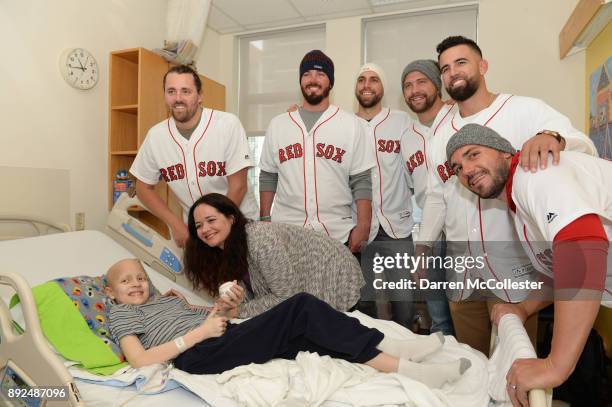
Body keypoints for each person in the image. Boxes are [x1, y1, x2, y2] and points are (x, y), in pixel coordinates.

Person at [415, 36, 597, 355]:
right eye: (445, 68)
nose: (452, 72)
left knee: (514, 363)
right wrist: (424, 247)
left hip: (514, 269)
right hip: (464, 272)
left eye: (461, 62)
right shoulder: (438, 133)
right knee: (471, 364)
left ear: (482, 66)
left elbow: (582, 143)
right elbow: (435, 196)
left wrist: (550, 136)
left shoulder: (524, 110)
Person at [105, 258, 472, 388]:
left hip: (219, 338)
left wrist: (223, 307)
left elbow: (221, 321)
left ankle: (405, 368)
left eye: (140, 277)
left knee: (313, 335)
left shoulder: (169, 301)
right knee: (301, 307)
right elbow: (139, 360)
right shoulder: (122, 313)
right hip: (197, 356)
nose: (137, 284)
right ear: (110, 291)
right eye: (126, 281)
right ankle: (390, 344)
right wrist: (198, 334)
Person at [446, 123, 611, 406]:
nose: (467, 171)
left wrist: (555, 365)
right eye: (457, 168)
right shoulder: (520, 204)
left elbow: (581, 251)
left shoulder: (535, 175)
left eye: (473, 155)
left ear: (503, 152)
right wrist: (524, 307)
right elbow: (560, 271)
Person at [258, 50, 375, 255]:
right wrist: (265, 218)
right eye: (307, 74)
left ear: (330, 82)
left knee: (338, 288)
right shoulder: (278, 125)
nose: (313, 79)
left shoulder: (351, 125)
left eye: (320, 74)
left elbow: (362, 180)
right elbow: (268, 176)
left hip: (337, 234)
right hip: (285, 233)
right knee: (287, 289)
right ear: (300, 81)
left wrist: (364, 225)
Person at [130, 65, 258, 248]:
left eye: (186, 91)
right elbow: (143, 188)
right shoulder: (156, 136)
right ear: (165, 96)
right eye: (171, 91)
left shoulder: (227, 125)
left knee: (244, 277)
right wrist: (176, 225)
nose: (178, 98)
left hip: (237, 223)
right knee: (206, 277)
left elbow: (238, 186)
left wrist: (219, 227)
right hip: (197, 233)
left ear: (200, 96)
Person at [183, 193, 365, 318]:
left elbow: (286, 297)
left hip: (335, 275)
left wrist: (237, 312)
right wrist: (233, 303)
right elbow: (255, 292)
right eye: (198, 225)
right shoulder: (222, 250)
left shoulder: (259, 239)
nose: (205, 229)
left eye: (211, 220)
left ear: (231, 218)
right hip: (303, 284)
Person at [399, 59, 455, 336]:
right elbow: (420, 192)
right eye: (408, 85)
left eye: (421, 82)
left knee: (471, 318)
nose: (414, 90)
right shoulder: (406, 137)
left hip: (462, 235)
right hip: (430, 238)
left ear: (437, 84)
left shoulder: (458, 118)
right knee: (439, 320)